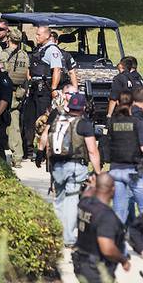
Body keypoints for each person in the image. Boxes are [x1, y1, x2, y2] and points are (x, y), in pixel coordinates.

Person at [47, 93, 102, 247]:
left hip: (57, 166)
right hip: (75, 166)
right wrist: (97, 172)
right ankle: (69, 238)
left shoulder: (57, 120)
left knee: (58, 200)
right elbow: (92, 150)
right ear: (83, 107)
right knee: (71, 201)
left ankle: (56, 235)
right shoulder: (84, 124)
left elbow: (47, 141)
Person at [73, 173, 130, 283]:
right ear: (112, 189)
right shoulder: (107, 216)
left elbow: (86, 194)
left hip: (80, 262)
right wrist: (123, 260)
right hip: (97, 269)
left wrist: (93, 186)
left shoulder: (84, 203)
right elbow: (107, 248)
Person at [23, 25, 64, 160]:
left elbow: (57, 70)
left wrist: (53, 88)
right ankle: (28, 151)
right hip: (34, 89)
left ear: (47, 35)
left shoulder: (52, 50)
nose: (36, 37)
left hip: (44, 90)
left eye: (39, 35)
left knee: (44, 121)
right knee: (29, 120)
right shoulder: (40, 49)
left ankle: (45, 153)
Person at [105, 104, 143, 225]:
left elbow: (107, 144)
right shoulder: (138, 122)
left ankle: (118, 239)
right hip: (133, 169)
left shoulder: (113, 123)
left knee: (119, 209)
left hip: (115, 169)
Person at [0, 29, 30, 167]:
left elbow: (0, 74)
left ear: (9, 38)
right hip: (18, 93)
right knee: (15, 125)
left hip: (5, 93)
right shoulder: (24, 55)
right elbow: (26, 76)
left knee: (0, 122)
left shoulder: (4, 54)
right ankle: (18, 156)